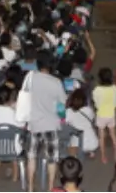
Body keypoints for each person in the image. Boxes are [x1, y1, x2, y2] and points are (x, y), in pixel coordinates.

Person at [25, 52, 67, 192]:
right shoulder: (56, 82)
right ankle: (50, 188)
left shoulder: (30, 79)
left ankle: (30, 187)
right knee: (51, 159)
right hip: (51, 124)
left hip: (33, 124)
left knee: (32, 157)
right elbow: (62, 104)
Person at [92, 67, 116, 163]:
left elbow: (96, 103)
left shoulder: (97, 90)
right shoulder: (114, 88)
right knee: (113, 134)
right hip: (111, 114)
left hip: (101, 114)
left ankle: (103, 156)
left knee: (101, 136)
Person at [64, 88, 99, 157]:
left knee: (71, 135)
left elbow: (66, 123)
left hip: (79, 144)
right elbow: (92, 119)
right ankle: (90, 151)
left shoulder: (69, 111)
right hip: (93, 143)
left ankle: (74, 155)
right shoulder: (88, 110)